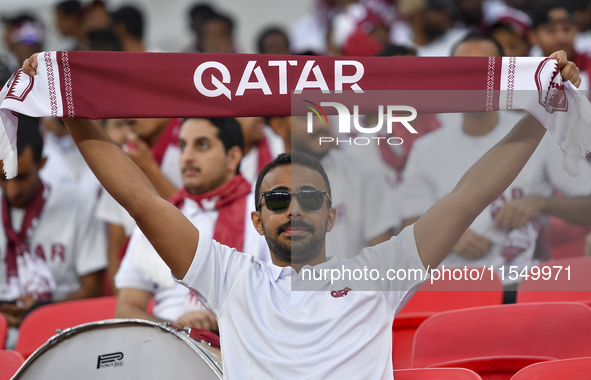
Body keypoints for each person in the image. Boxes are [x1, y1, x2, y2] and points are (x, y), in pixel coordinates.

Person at [22, 50, 582, 378]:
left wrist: (540, 111)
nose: (295, 209)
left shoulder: (380, 272)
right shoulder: (231, 275)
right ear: (259, 219)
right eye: (278, 200)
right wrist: (67, 105)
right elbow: (140, 200)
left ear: (332, 216)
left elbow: (467, 197)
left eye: (310, 198)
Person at [400, 35, 591, 300]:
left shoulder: (539, 135)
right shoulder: (426, 149)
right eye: (464, 70)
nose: (474, 79)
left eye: (485, 69)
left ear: (503, 75)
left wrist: (541, 203)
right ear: (450, 77)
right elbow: (410, 221)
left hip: (526, 287)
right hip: (454, 291)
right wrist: (447, 233)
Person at [115, 117, 269, 331]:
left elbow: (283, 300)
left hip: (241, 347)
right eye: (182, 146)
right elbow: (127, 307)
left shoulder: (265, 211)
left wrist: (220, 321)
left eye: (202, 145)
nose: (187, 157)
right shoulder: (160, 215)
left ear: (233, 157)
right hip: (166, 343)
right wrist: (177, 331)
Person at [0, 116, 107, 347]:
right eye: (2, 178)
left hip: (59, 332)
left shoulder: (79, 204)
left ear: (44, 162)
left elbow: (94, 288)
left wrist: (41, 309)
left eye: (22, 176)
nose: (12, 190)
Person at [268, 115, 396, 259]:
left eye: (324, 114)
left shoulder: (364, 174)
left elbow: (381, 255)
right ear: (279, 126)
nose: (321, 125)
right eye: (306, 118)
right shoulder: (265, 189)